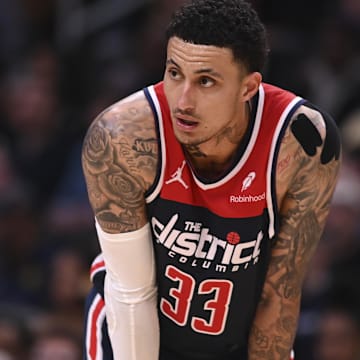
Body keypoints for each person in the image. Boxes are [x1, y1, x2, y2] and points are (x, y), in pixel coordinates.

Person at [81, 0, 342, 359]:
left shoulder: (300, 143)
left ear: (249, 87)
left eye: (206, 81)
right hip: (131, 327)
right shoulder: (122, 137)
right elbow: (132, 293)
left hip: (235, 341)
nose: (183, 100)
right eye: (174, 73)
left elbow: (279, 293)